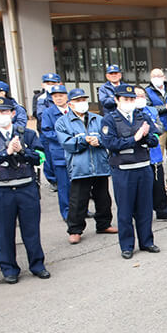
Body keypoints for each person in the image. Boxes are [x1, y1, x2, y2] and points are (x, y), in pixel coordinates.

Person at [0, 98, 50, 283]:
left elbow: (40, 157)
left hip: (26, 188)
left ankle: (37, 265)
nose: (2, 116)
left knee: (31, 230)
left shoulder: (27, 134)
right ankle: (9, 269)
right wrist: (6, 153)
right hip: (1, 191)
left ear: (13, 113)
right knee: (5, 232)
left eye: (5, 112)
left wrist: (22, 150)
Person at [100, 84, 161, 259]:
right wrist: (135, 138)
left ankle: (147, 241)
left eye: (132, 99)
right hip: (123, 170)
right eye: (126, 99)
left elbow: (154, 139)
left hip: (143, 166)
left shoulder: (142, 116)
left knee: (145, 208)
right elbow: (110, 143)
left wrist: (146, 136)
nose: (129, 102)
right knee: (125, 210)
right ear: (117, 100)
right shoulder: (109, 120)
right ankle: (127, 245)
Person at [55, 88, 117, 243]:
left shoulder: (98, 119)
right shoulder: (63, 122)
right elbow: (66, 143)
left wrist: (100, 141)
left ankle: (104, 224)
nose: (81, 103)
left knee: (103, 198)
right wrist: (84, 141)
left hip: (100, 164)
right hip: (79, 167)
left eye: (83, 100)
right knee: (78, 200)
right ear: (70, 104)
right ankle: (75, 229)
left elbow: (108, 137)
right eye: (77, 101)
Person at [135, 86, 167, 223]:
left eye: (142, 96)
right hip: (138, 157)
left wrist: (147, 131)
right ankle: (140, 215)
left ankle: (163, 212)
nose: (140, 99)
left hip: (154, 155)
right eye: (137, 96)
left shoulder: (152, 110)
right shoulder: (129, 115)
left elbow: (159, 128)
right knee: (140, 190)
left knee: (158, 186)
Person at [40, 84, 72, 221]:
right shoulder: (48, 112)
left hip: (76, 153)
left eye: (61, 95)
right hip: (60, 153)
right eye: (55, 96)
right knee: (63, 185)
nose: (58, 98)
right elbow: (47, 132)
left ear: (67, 96)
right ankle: (67, 212)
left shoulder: (73, 109)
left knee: (78, 185)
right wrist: (66, 138)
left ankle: (81, 209)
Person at [145, 68, 167, 188]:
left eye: (159, 76)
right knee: (157, 156)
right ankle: (158, 181)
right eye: (154, 76)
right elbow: (149, 109)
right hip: (158, 128)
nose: (157, 78)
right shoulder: (147, 91)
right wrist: (166, 106)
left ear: (164, 77)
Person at [35, 72, 62, 190]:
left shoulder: (63, 96)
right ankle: (53, 180)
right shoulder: (40, 99)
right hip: (46, 132)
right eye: (48, 83)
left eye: (53, 83)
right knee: (49, 157)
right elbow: (39, 115)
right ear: (43, 84)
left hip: (62, 132)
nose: (50, 85)